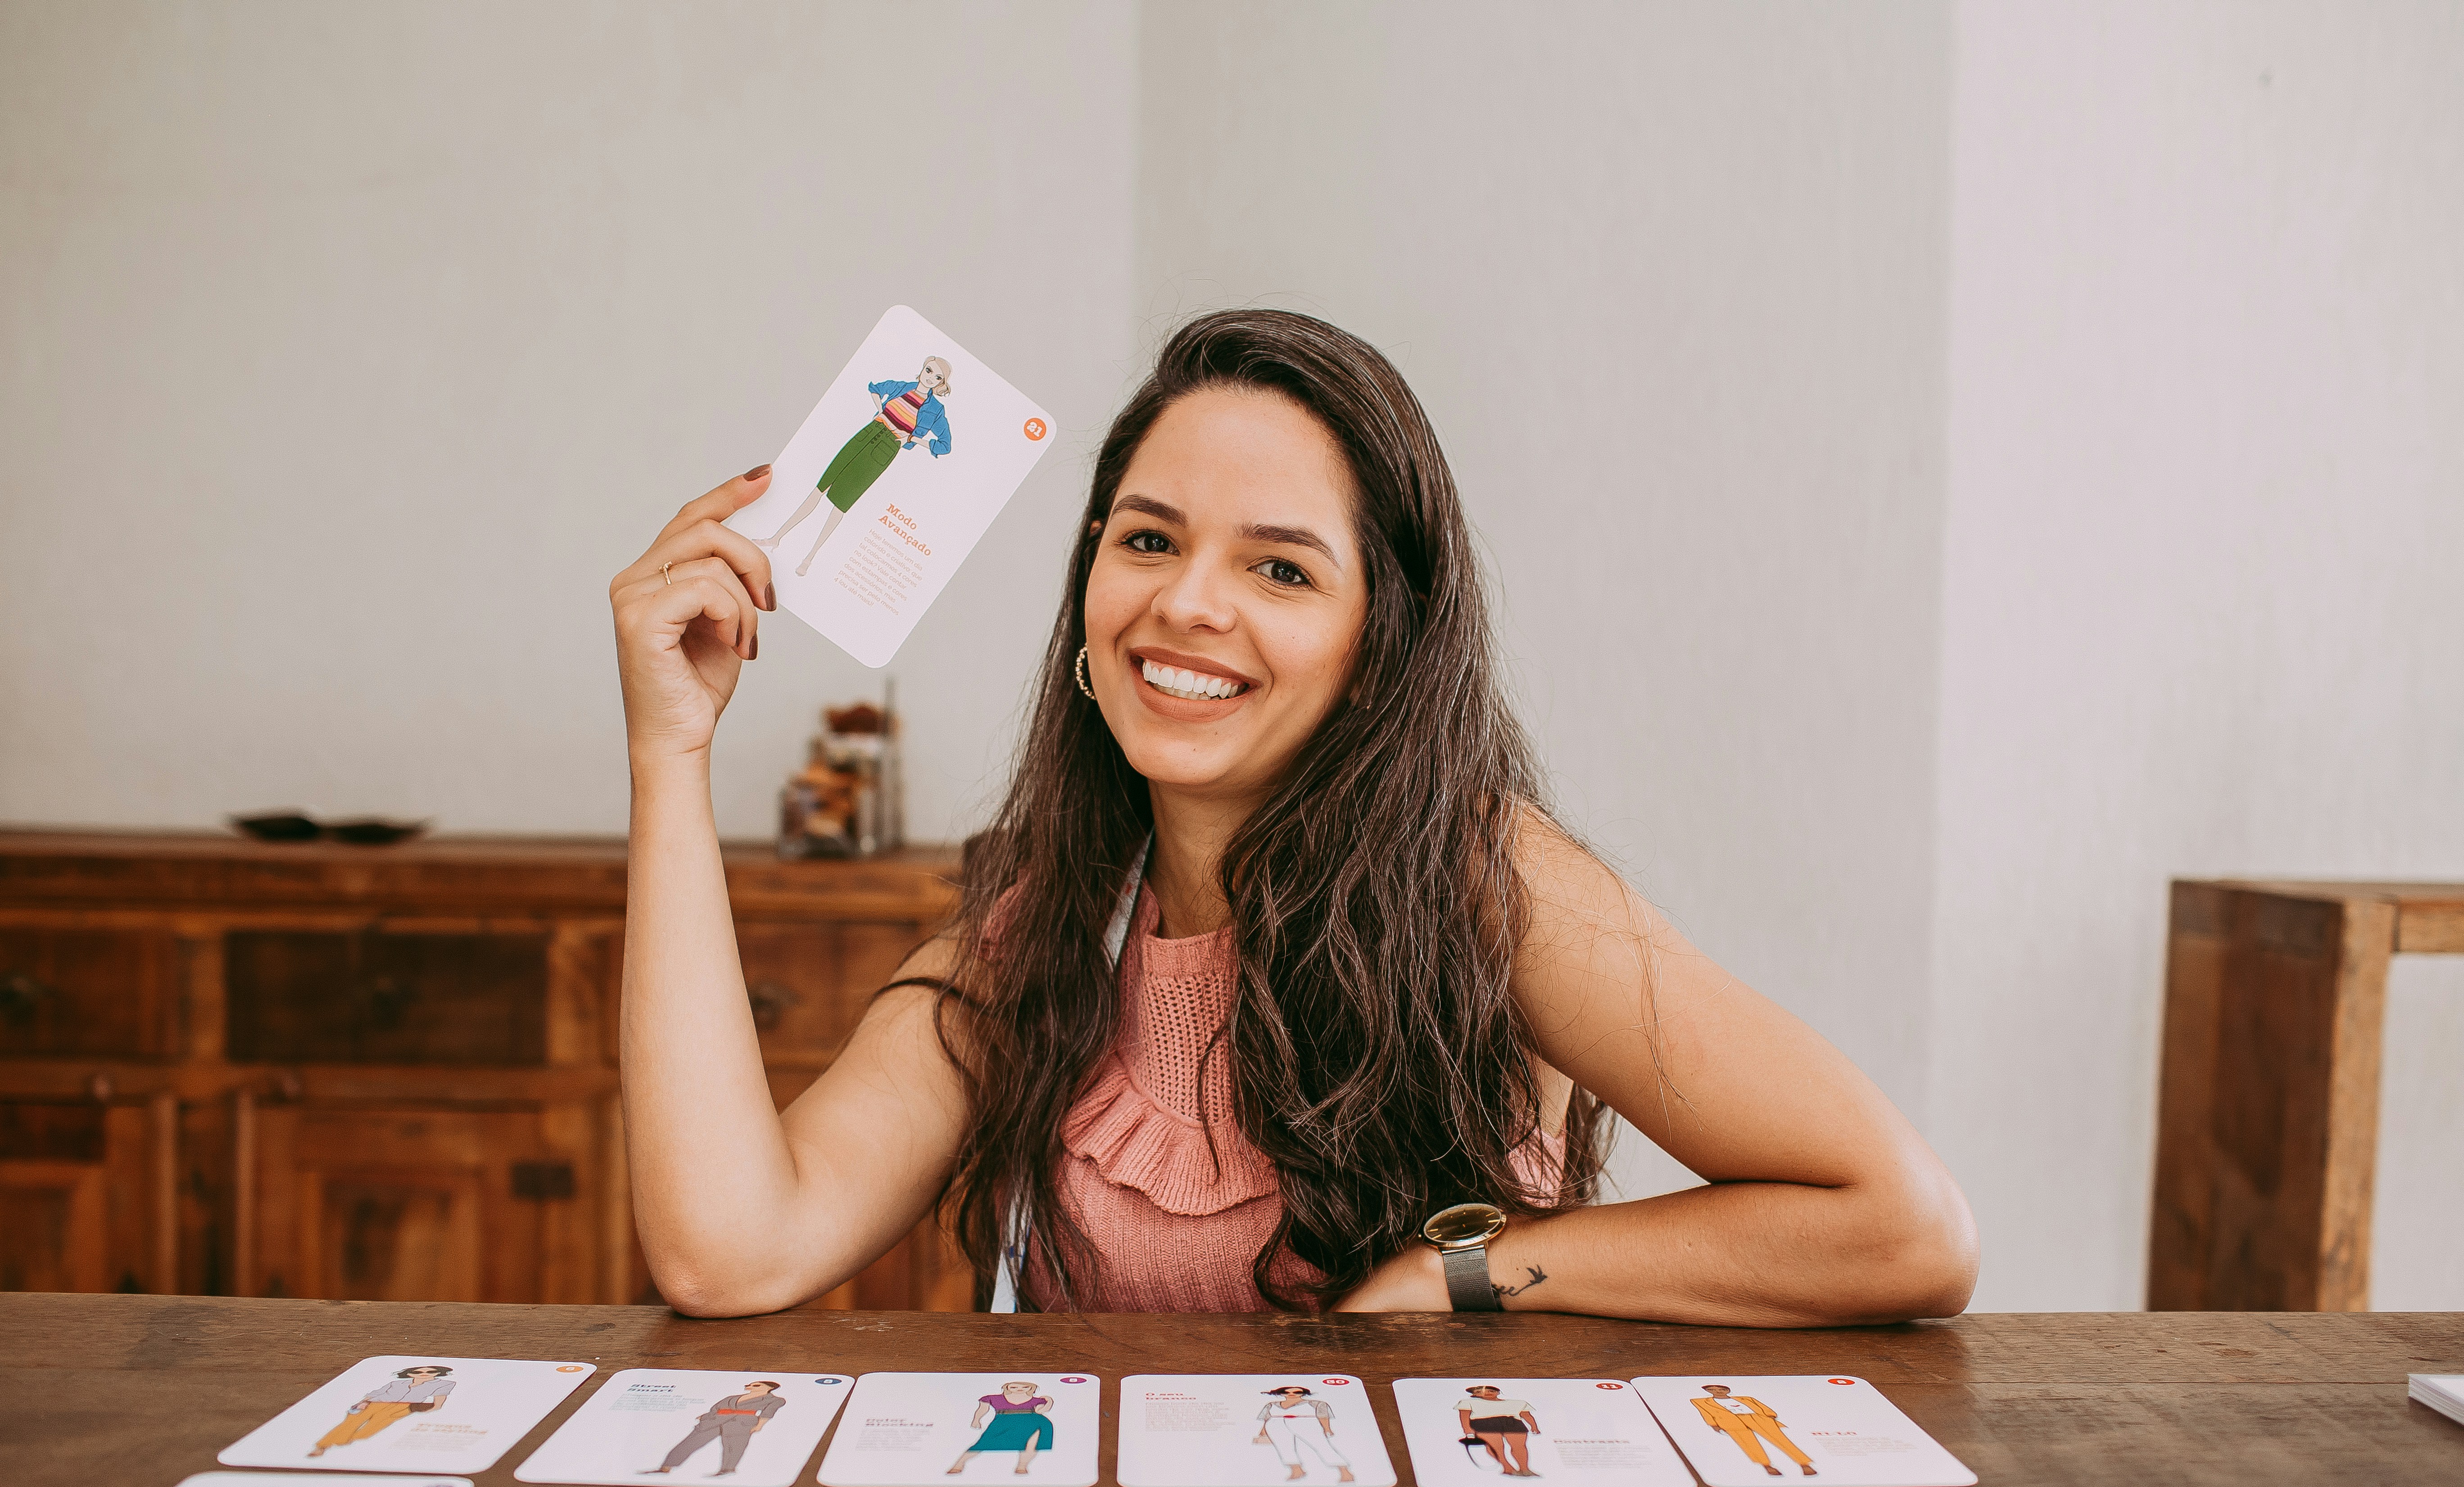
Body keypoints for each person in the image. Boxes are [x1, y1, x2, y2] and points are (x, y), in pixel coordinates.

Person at [609, 309, 1980, 1320]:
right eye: (1148, 540)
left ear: (1380, 641)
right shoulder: (1042, 932)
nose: (1189, 602)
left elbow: (1902, 1227)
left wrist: (1472, 1268)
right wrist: (673, 753)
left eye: (1278, 565)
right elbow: (734, 1248)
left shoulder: (1486, 881)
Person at [752, 355, 954, 576]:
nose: (930, 378)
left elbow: (945, 446)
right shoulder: (902, 387)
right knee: (822, 488)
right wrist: (880, 411)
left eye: (938, 377)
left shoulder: (936, 410)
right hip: (867, 434)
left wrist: (913, 439)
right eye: (928, 370)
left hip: (886, 449)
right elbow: (875, 388)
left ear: (941, 383)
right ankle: (776, 539)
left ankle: (809, 558)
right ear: (922, 369)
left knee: (842, 503)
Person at [638, 1380, 784, 1477]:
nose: (750, 1387)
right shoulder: (733, 1397)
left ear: (770, 1388)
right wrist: (706, 1416)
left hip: (741, 1423)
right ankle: (666, 1467)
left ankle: (726, 1470)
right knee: (689, 1443)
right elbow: (717, 1408)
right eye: (750, 1385)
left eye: (756, 1386)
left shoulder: (775, 1400)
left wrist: (759, 1425)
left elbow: (768, 1413)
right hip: (714, 1421)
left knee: (734, 1447)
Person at [310, 1365, 453, 1456]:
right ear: (410, 1374)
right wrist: (361, 1403)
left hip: (403, 1406)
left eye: (431, 1371)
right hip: (375, 1403)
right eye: (417, 1371)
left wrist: (433, 1409)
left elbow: (439, 1400)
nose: (424, 1373)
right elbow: (376, 1392)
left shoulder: (444, 1384)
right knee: (350, 1423)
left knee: (373, 1429)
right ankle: (322, 1447)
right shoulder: (396, 1383)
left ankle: (346, 1439)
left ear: (439, 1373)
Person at [1688, 1384, 1817, 1477]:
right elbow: (1705, 1413)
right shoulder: (1701, 1401)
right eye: (1713, 1390)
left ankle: (1804, 1464)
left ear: (1728, 1390)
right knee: (1747, 1443)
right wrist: (1714, 1425)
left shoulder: (1746, 1398)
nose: (1718, 1391)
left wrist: (1770, 1417)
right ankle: (1766, 1466)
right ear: (1708, 1391)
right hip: (1730, 1421)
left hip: (1757, 1418)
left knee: (1781, 1440)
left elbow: (1762, 1407)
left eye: (1722, 1389)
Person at [947, 1381, 1055, 1477]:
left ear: (1031, 1388)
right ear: (1007, 1387)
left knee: (1031, 1445)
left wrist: (1049, 1401)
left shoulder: (1036, 1400)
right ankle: (959, 1464)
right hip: (1002, 1422)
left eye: (1025, 1387)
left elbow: (1040, 1411)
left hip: (1033, 1423)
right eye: (1014, 1387)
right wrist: (977, 1420)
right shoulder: (994, 1398)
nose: (1019, 1389)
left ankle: (1022, 1467)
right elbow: (982, 1409)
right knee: (983, 1443)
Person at [1252, 1386, 1354, 1483]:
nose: (1292, 1394)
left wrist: (1327, 1429)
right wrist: (1263, 1431)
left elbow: (1323, 1416)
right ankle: (1297, 1470)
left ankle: (1345, 1472)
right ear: (1281, 1393)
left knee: (1322, 1447)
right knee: (1284, 1449)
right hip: (1277, 1424)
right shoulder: (1272, 1405)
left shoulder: (1314, 1403)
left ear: (1303, 1393)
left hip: (1305, 1423)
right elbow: (1267, 1418)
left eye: (1297, 1392)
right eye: (1287, 1392)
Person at [1457, 1384, 1541, 1476]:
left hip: (1513, 1423)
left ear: (1498, 1392)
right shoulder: (1468, 1403)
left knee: (1519, 1447)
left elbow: (1526, 1415)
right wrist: (1468, 1430)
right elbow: (1464, 1417)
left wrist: (1534, 1426)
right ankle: (1508, 1468)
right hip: (1485, 1424)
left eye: (1491, 1391)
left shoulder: (1518, 1403)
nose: (1487, 1393)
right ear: (1476, 1395)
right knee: (1496, 1448)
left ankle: (1525, 1469)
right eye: (1481, 1392)